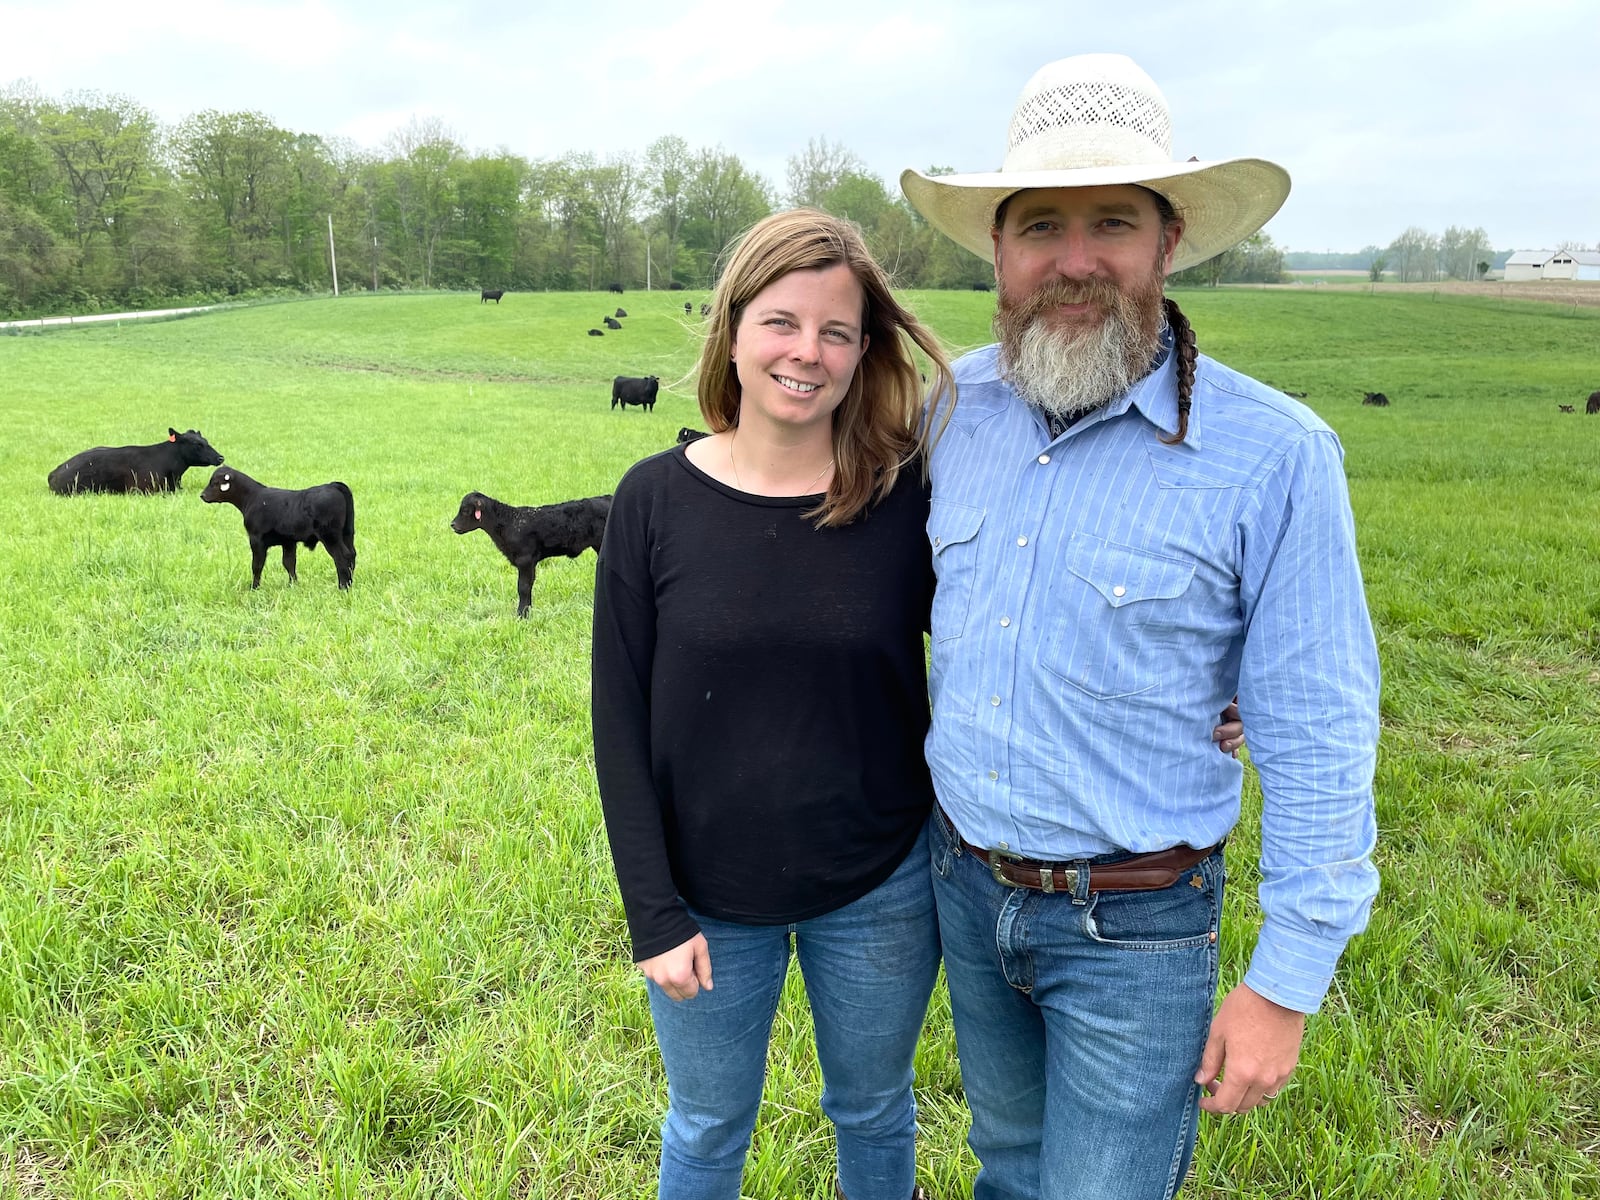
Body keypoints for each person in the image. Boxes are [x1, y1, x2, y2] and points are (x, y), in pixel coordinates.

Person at [898, 53, 1381, 1200]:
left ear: (1168, 242)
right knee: (1006, 1168)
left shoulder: (1276, 455)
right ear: (999, 254)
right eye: (1039, 226)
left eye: (1111, 221)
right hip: (964, 885)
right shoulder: (948, 412)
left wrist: (1285, 981)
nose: (1074, 260)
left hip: (1138, 926)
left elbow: (1319, 725)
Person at [590, 209, 954, 1200]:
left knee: (874, 1110)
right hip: (705, 895)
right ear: (733, 329)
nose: (808, 352)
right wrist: (652, 913)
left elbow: (1002, 638)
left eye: (837, 332)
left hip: (878, 885)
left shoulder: (905, 498)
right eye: (782, 322)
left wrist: (1192, 695)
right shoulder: (653, 501)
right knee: (707, 1124)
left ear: (862, 351)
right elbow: (616, 725)